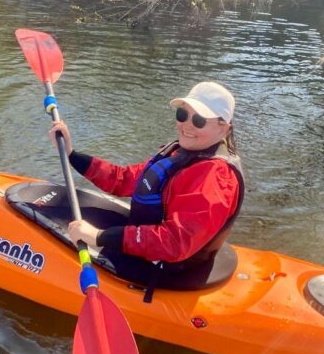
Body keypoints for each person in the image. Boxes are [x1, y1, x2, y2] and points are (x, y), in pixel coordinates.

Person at [48, 81, 244, 290]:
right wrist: (72, 155)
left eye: (199, 120)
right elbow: (123, 179)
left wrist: (99, 237)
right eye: (182, 114)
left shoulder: (215, 179)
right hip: (153, 244)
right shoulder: (182, 153)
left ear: (223, 129)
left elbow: (175, 243)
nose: (186, 125)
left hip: (166, 266)